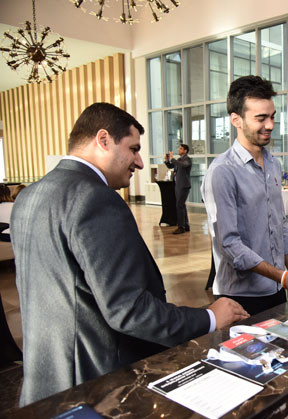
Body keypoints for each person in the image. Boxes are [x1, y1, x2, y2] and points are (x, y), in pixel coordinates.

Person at [11, 103, 249, 406]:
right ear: (103, 139)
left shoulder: (31, 194)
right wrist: (210, 317)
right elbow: (128, 310)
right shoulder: (95, 198)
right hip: (94, 384)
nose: (139, 162)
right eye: (133, 149)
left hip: (44, 383)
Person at [201, 76, 288, 316]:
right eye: (261, 118)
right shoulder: (222, 171)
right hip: (241, 296)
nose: (270, 125)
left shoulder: (274, 164)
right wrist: (282, 276)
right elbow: (230, 245)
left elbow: (279, 223)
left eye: (272, 116)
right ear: (236, 120)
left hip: (277, 287)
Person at [165, 143, 191, 234]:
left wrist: (173, 159)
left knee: (179, 205)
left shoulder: (187, 159)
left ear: (185, 151)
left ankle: (181, 227)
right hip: (178, 185)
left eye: (181, 149)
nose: (179, 150)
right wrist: (167, 161)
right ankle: (185, 225)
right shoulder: (179, 160)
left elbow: (183, 165)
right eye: (179, 148)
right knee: (182, 205)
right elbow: (171, 166)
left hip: (184, 185)